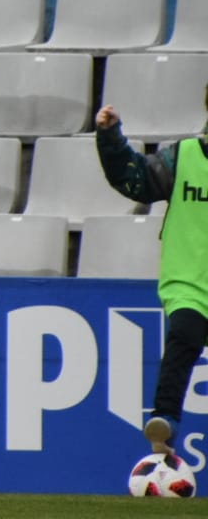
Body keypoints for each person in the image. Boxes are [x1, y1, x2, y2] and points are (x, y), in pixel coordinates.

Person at [94, 93, 208, 458]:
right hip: (189, 283)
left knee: (182, 343)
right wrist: (112, 140)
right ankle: (164, 422)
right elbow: (135, 180)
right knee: (184, 338)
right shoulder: (183, 157)